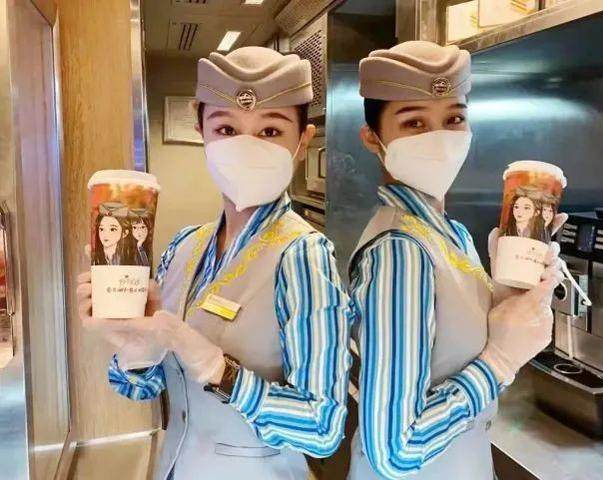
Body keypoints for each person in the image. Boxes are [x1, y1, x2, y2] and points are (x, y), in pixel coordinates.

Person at [76, 47, 352, 480]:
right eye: (226, 129)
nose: (246, 148)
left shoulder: (303, 255)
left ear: (302, 141)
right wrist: (136, 346)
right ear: (201, 132)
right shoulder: (186, 246)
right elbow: (144, 389)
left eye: (270, 131)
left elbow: (323, 430)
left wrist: (219, 370)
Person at [348, 41, 566, 479]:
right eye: (414, 122)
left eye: (453, 120)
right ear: (372, 138)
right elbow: (394, 449)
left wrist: (506, 300)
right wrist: (500, 362)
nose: (439, 139)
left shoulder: (452, 234)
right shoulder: (400, 251)